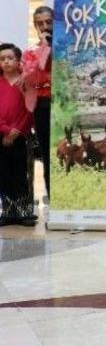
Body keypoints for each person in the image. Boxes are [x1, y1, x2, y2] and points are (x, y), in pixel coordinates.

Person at [0, 43, 35, 227]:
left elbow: (29, 110)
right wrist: (5, 131)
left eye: (10, 58)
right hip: (1, 137)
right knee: (4, 173)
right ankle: (7, 211)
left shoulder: (26, 82)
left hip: (21, 136)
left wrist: (17, 131)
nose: (6, 62)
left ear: (18, 60)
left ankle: (24, 212)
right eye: (2, 59)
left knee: (22, 174)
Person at [21, 6, 53, 204]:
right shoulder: (30, 52)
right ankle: (52, 194)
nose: (45, 26)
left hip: (63, 103)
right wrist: (44, 48)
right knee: (47, 150)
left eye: (48, 22)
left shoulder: (64, 48)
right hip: (42, 104)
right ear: (35, 26)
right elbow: (33, 75)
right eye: (40, 23)